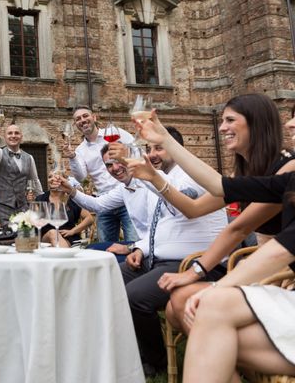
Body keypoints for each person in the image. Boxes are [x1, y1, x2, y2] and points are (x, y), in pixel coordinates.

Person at [132, 111, 295, 382]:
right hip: (273, 272)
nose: (289, 123)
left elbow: (270, 242)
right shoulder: (283, 178)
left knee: (207, 310)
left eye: (230, 120)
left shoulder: (287, 166)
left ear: (256, 123)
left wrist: (205, 278)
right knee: (203, 321)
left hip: (277, 276)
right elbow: (217, 186)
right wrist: (164, 143)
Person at [117, 126, 228, 377]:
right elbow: (160, 228)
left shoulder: (189, 176)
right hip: (159, 260)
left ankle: (154, 361)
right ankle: (130, 349)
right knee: (113, 276)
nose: (152, 154)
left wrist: (152, 179)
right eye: (149, 149)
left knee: (135, 296)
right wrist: (139, 248)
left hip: (196, 263)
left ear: (177, 149)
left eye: (158, 148)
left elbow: (182, 209)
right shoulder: (165, 180)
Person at [63, 105, 137, 242]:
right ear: (76, 125)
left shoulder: (113, 132)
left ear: (94, 117)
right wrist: (72, 157)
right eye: (78, 119)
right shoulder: (80, 150)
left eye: (85, 116)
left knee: (133, 242)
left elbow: (136, 149)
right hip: (103, 199)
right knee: (105, 246)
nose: (82, 120)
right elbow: (81, 177)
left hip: (126, 194)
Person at [0, 124, 43, 224]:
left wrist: (42, 201)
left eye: (17, 133)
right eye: (10, 133)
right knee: (4, 237)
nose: (13, 135)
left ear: (21, 137)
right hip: (1, 208)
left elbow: (35, 181)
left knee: (23, 236)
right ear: (5, 136)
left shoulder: (29, 157)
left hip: (23, 208)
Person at [34, 171, 92, 247]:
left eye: (56, 177)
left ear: (64, 181)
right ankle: (66, 257)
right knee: (53, 233)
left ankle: (63, 255)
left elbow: (89, 218)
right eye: (50, 177)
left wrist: (73, 231)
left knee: (56, 243)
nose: (52, 179)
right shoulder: (40, 199)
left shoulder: (72, 199)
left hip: (69, 238)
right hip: (46, 237)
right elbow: (35, 221)